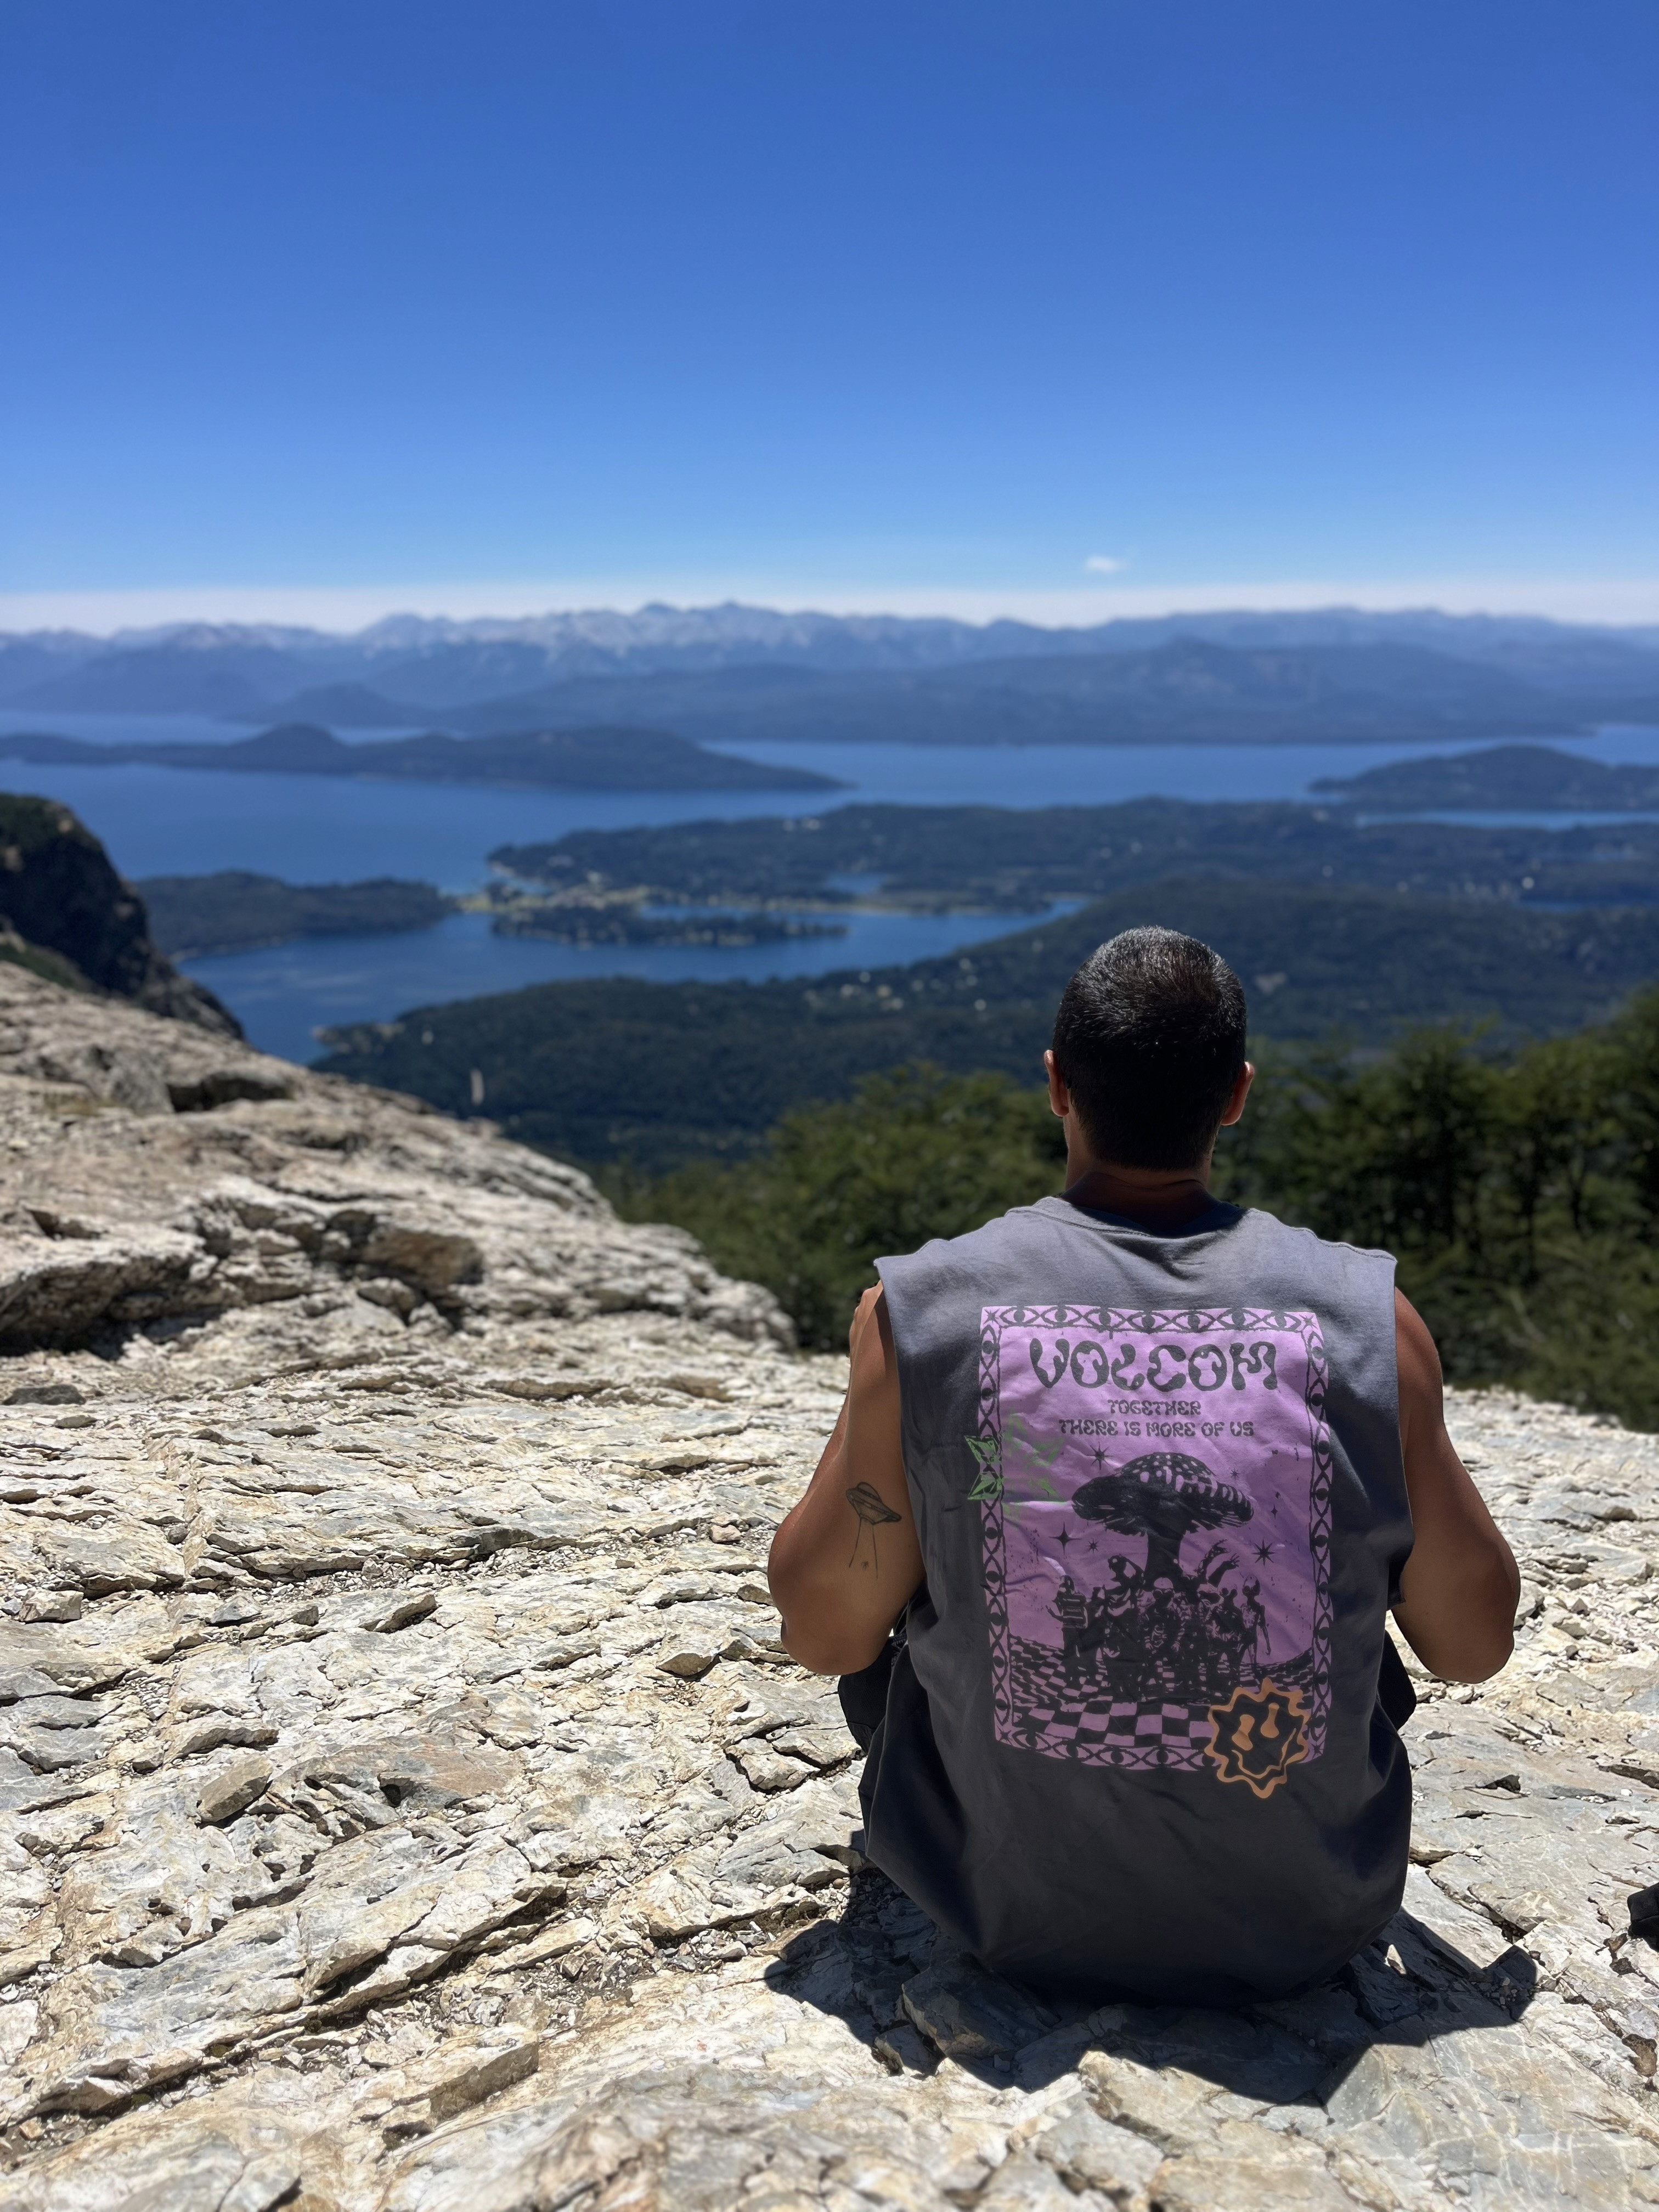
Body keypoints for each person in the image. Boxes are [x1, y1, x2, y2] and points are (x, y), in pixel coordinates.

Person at [767, 926, 1519, 2006]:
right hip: (1307, 1921)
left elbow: (825, 1633)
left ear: (1057, 1085)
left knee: (889, 1650)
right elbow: (1474, 1647)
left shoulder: (922, 1313)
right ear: (1236, 1096)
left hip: (1010, 1915)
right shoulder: (1371, 1321)